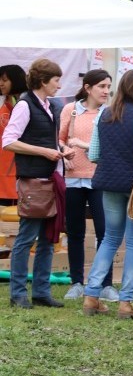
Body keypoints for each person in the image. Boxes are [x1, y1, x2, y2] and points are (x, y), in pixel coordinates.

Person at [83, 69, 133, 318]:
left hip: (109, 184)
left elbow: (94, 155)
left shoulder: (104, 114)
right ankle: (126, 301)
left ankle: (91, 295)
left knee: (109, 239)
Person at [4, 59, 69, 309]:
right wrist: (44, 152)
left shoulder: (50, 106)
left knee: (48, 238)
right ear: (43, 81)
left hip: (50, 178)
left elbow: (48, 140)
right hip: (32, 181)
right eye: (55, 81)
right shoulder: (24, 105)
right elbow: (8, 141)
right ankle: (18, 293)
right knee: (26, 237)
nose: (59, 85)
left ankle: (41, 291)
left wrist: (62, 149)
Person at [60, 69, 118, 302]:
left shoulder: (111, 114)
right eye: (102, 86)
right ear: (88, 88)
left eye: (108, 87)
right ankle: (76, 282)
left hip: (100, 179)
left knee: (106, 233)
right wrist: (64, 151)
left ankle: (105, 284)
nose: (106, 91)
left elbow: (110, 147)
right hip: (73, 179)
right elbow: (61, 138)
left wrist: (81, 145)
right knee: (75, 232)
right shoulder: (70, 110)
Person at [0, 64, 27, 202]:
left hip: (16, 162)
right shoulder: (6, 101)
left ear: (15, 80)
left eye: (4, 80)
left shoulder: (24, 102)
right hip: (4, 162)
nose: (1, 84)